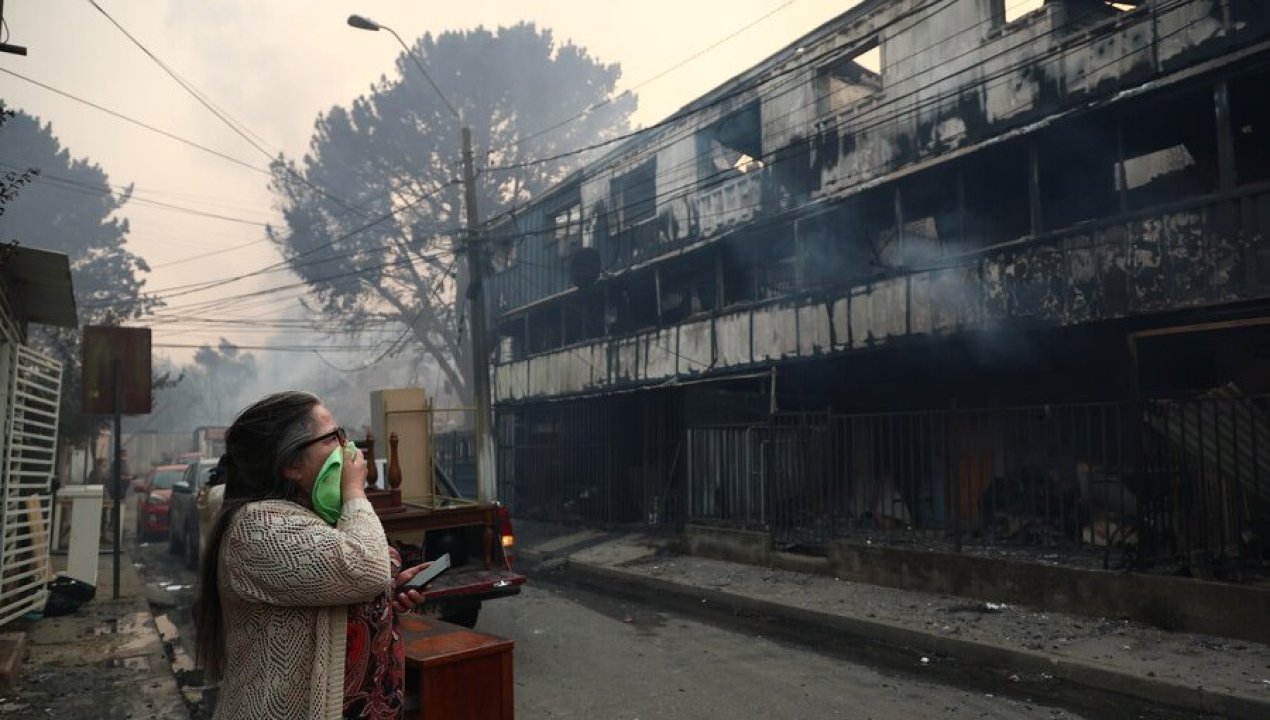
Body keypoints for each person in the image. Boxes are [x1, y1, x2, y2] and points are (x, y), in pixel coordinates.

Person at [193, 391, 432, 720]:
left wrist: (385, 599)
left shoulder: (313, 516)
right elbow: (365, 568)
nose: (348, 448)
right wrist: (354, 490)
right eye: (333, 437)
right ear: (292, 464)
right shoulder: (257, 528)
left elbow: (337, 590)